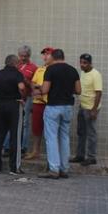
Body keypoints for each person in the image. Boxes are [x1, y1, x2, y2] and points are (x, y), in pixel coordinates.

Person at [38, 49, 81, 179]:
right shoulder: (73, 70)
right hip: (67, 107)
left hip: (53, 107)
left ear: (54, 57)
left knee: (51, 138)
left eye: (49, 56)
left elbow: (45, 90)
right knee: (64, 137)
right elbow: (78, 90)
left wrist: (38, 88)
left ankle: (54, 169)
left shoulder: (50, 70)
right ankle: (64, 169)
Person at [0, 55, 26, 175]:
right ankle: (14, 168)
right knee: (15, 136)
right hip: (14, 105)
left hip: (0, 105)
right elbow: (21, 87)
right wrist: (22, 97)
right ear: (15, 63)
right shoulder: (18, 74)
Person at [70, 53, 103, 166]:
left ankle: (91, 157)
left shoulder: (96, 74)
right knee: (81, 132)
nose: (82, 65)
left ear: (90, 63)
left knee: (91, 133)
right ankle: (80, 155)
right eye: (81, 62)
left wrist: (94, 110)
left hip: (90, 108)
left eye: (85, 63)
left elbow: (98, 93)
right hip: (82, 106)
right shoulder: (82, 73)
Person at [25, 47, 55, 160]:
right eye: (44, 54)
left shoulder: (55, 70)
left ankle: (51, 154)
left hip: (50, 103)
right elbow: (33, 82)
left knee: (50, 130)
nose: (45, 57)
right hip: (38, 102)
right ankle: (35, 151)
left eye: (48, 54)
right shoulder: (40, 69)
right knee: (36, 128)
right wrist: (35, 88)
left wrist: (41, 89)